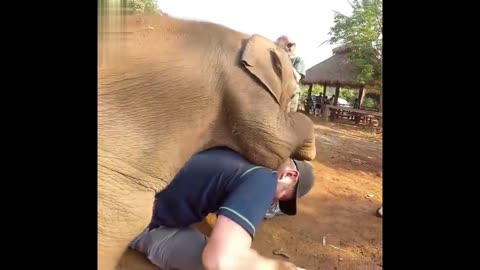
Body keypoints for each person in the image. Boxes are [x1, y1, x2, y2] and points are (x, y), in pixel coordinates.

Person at [129, 147, 315, 270]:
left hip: (132, 189)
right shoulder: (265, 179)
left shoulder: (239, 158)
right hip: (136, 222)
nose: (276, 202)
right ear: (289, 175)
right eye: (285, 196)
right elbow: (221, 261)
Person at [276, 35, 306, 112]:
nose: (287, 47)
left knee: (287, 119)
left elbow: (296, 77)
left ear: (294, 47)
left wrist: (285, 58)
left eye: (289, 45)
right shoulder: (275, 59)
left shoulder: (298, 60)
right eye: (283, 45)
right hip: (276, 93)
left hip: (291, 95)